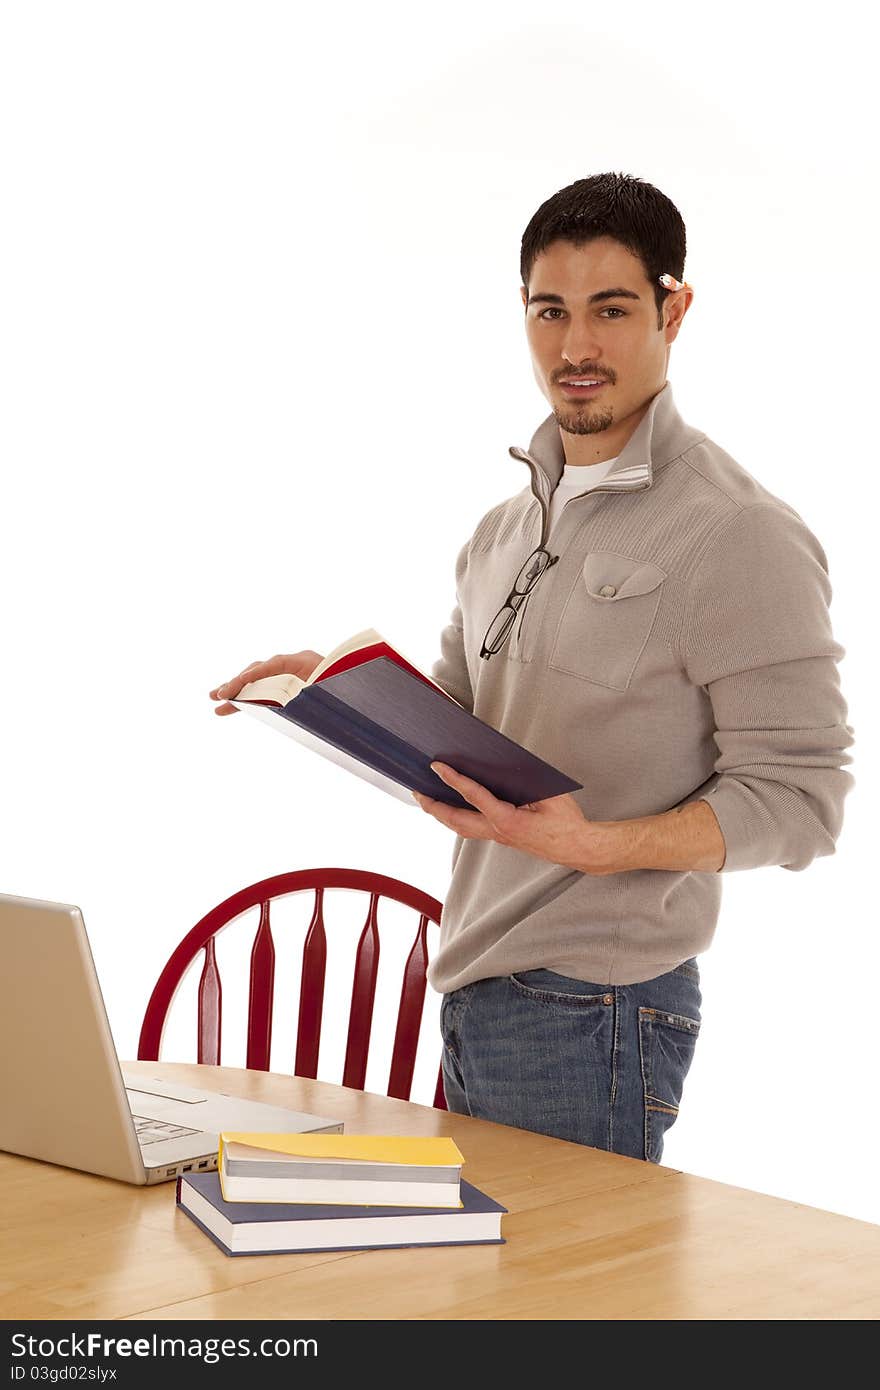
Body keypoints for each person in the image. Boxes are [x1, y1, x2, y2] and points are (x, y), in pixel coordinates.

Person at [209, 172, 855, 1164]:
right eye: (551, 311)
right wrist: (332, 688)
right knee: (495, 1312)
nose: (576, 346)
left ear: (673, 310)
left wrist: (591, 845)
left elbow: (801, 801)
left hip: (595, 1002)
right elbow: (464, 733)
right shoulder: (502, 529)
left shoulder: (740, 534)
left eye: (611, 310)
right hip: (476, 980)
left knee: (570, 1319)